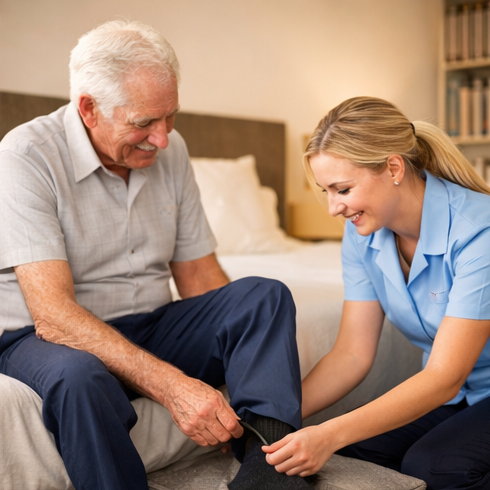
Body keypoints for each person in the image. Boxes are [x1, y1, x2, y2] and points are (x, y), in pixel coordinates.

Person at [0, 20, 312, 490]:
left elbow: (199, 275)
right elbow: (53, 316)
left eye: (170, 117)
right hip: (48, 338)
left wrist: (235, 348)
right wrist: (173, 387)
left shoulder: (171, 148)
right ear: (89, 109)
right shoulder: (26, 154)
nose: (162, 138)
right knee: (79, 378)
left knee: (261, 298)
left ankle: (270, 471)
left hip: (149, 323)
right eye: (144, 122)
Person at [262, 96, 490, 489]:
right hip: (458, 395)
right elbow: (351, 354)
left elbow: (444, 377)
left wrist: (329, 433)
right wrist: (270, 417)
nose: (333, 208)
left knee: (433, 467)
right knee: (353, 453)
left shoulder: (478, 231)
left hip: (456, 386)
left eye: (342, 189)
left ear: (394, 168)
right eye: (326, 191)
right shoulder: (361, 235)